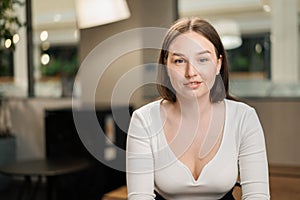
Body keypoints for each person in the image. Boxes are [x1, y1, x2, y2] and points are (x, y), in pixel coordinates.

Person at [126, 17, 270, 200]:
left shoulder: (244, 117)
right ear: (166, 66)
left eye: (202, 59)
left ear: (218, 64)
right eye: (179, 61)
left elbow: (257, 196)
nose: (191, 72)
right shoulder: (144, 120)